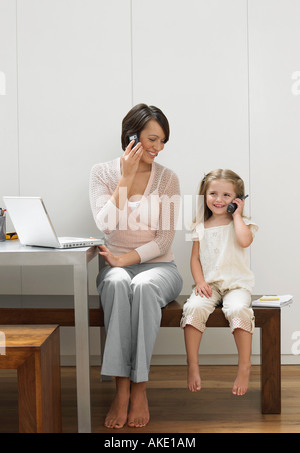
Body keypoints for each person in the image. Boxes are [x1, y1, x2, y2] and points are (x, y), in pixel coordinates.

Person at [89, 103, 183, 429]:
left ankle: (139, 387)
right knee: (116, 282)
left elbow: (163, 241)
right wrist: (125, 179)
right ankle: (121, 389)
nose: (157, 148)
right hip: (116, 269)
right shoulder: (102, 173)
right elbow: (107, 227)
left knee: (141, 286)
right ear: (131, 137)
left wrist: (122, 260)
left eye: (162, 142)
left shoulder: (168, 179)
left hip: (160, 269)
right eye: (152, 139)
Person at [180, 169, 258, 396]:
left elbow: (244, 242)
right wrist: (199, 281)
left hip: (236, 285)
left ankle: (244, 366)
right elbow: (194, 258)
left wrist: (236, 216)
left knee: (238, 309)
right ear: (204, 195)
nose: (219, 199)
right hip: (210, 285)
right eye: (213, 193)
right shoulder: (199, 226)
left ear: (237, 199)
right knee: (193, 307)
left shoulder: (243, 223)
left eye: (226, 195)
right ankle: (192, 364)